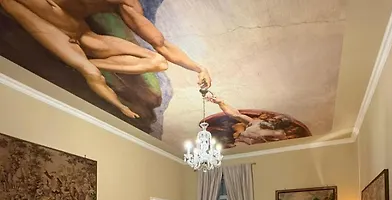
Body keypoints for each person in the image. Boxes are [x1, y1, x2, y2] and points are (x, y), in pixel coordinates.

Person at [0, 0, 211, 118]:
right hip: (49, 27)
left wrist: (198, 67)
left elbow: (161, 44)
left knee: (159, 62)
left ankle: (90, 64)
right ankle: (86, 65)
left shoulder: (126, 4)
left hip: (83, 34)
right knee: (90, 72)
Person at [206, 93, 286, 145]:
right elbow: (236, 114)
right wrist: (221, 103)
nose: (273, 120)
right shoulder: (256, 123)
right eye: (274, 119)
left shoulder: (278, 133)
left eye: (278, 120)